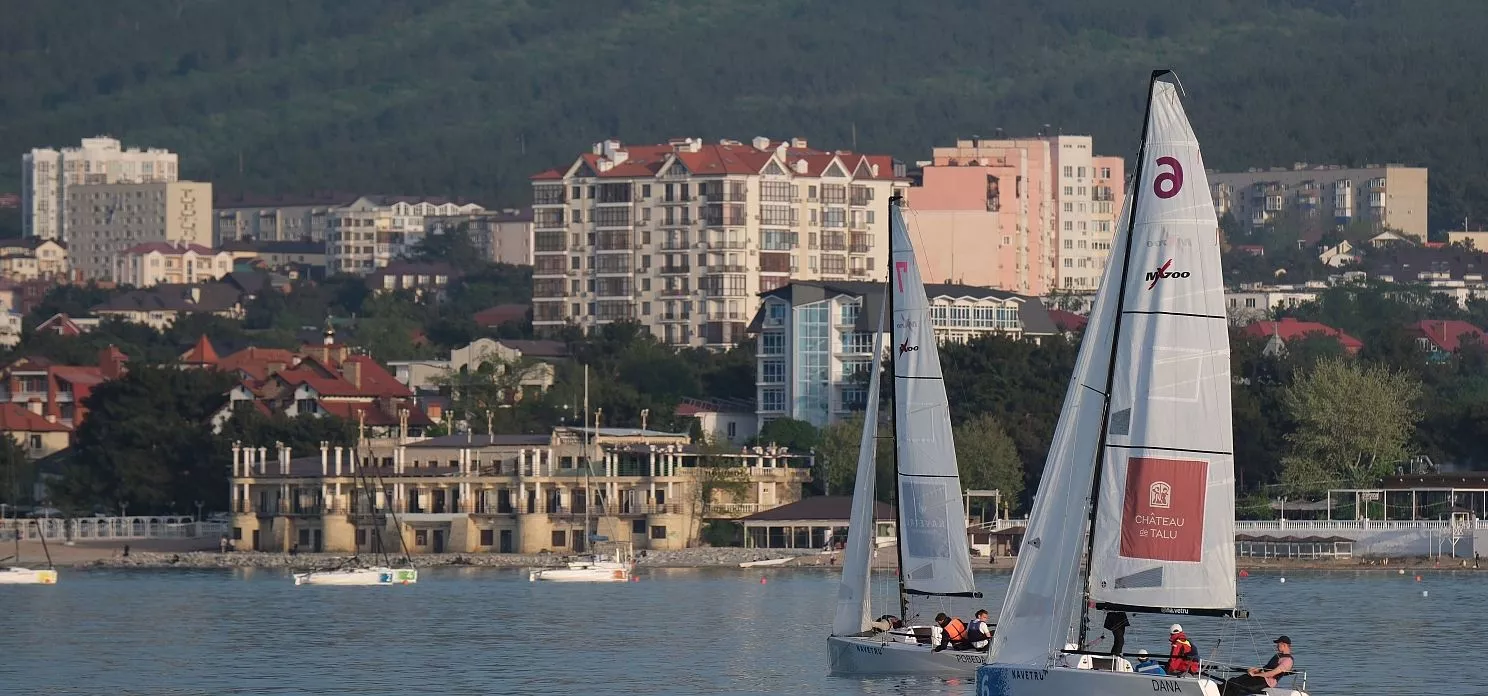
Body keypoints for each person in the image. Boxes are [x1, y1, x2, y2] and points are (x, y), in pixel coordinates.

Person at [1221, 636, 1295, 696]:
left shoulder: (1288, 660)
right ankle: (1217, 690)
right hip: (1260, 677)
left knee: (1238, 686)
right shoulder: (1277, 656)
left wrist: (1255, 675)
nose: (1276, 646)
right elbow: (1266, 667)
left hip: (1265, 682)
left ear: (1284, 645)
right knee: (1233, 680)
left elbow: (1272, 673)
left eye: (1278, 644)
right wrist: (1255, 670)